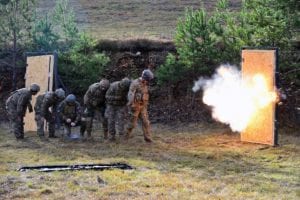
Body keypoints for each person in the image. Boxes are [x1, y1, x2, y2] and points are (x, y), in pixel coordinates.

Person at [126, 69, 154, 142]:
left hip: (143, 106)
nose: (148, 81)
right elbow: (130, 93)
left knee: (146, 122)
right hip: (135, 106)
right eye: (148, 79)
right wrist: (131, 103)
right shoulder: (135, 83)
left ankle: (147, 137)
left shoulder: (145, 83)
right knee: (132, 124)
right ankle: (125, 137)